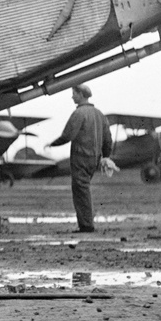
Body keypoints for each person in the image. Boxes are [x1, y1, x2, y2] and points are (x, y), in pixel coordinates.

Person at [47, 85, 117, 232]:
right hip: (94, 160)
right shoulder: (100, 114)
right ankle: (87, 223)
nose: (72, 96)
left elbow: (68, 135)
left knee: (81, 192)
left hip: (80, 159)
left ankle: (86, 226)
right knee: (84, 190)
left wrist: (52, 144)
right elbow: (108, 139)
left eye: (74, 93)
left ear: (80, 94)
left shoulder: (79, 113)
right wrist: (106, 156)